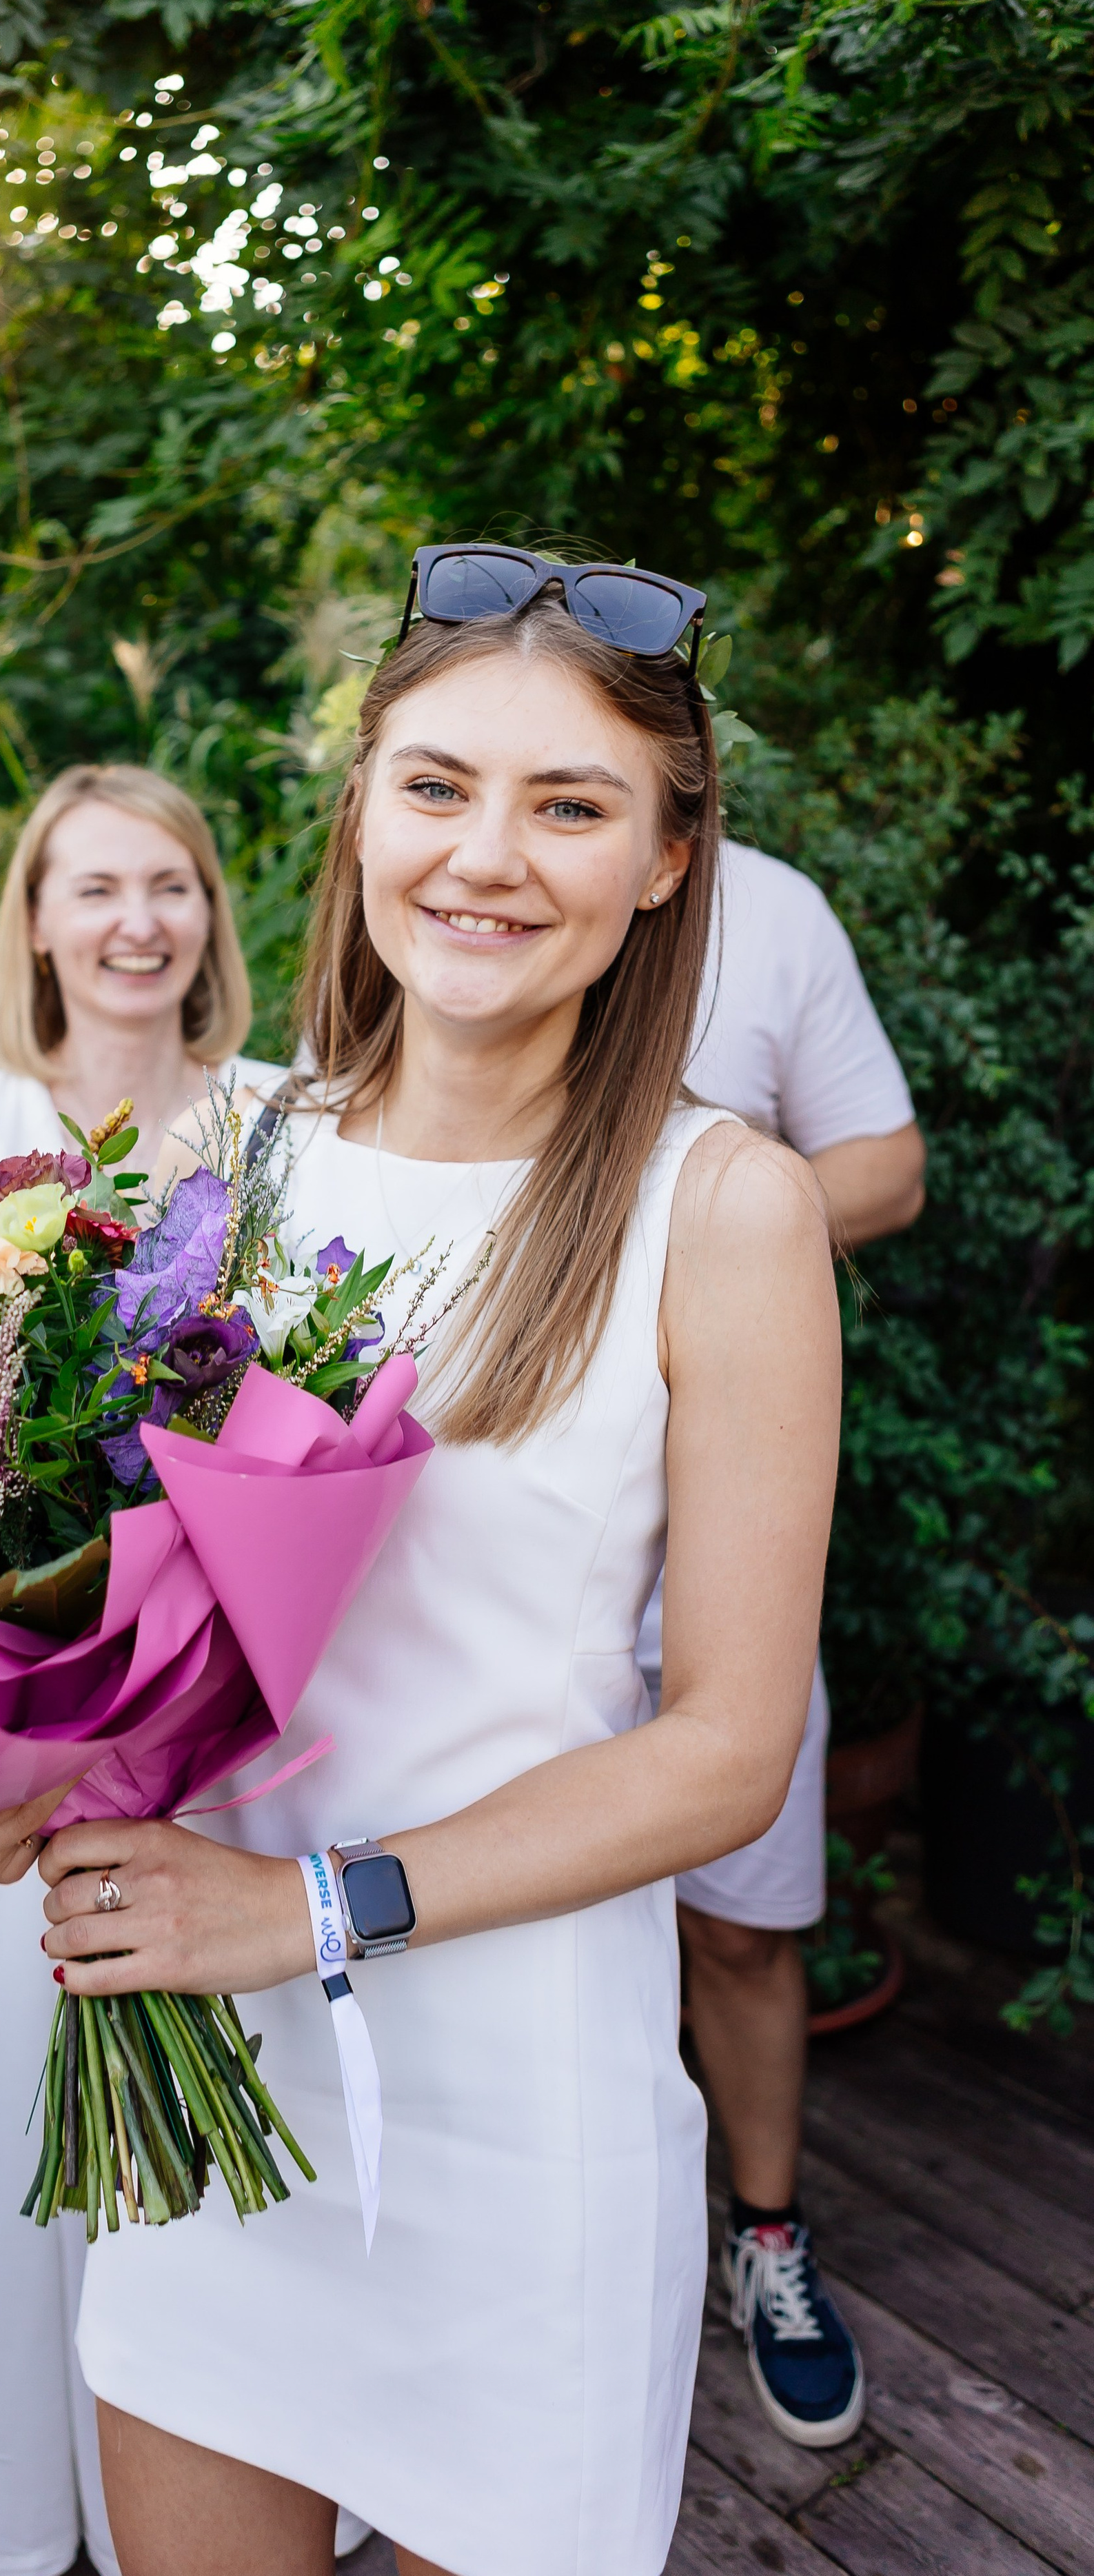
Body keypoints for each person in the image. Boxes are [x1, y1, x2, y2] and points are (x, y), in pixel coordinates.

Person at [0, 557, 840, 2576]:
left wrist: (310, 1909)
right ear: (362, 806)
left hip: (508, 2098)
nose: (488, 859)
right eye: (439, 788)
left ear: (665, 856)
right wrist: (5, 1759)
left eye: (570, 805)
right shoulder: (231, 1154)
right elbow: (111, 1588)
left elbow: (726, 1748)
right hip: (200, 2085)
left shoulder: (724, 1209)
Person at [0, 763, 278, 2576]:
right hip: (7, 1761)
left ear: (210, 916)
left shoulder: (292, 1125)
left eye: (172, 885)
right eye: (97, 889)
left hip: (235, 1757)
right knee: (7, 2155)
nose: (139, 923)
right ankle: (34, 2527)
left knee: (231, 2192)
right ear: (34, 922)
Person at [643, 838, 924, 2446]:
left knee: (741, 1917)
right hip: (496, 1521)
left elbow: (885, 1165)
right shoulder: (465, 912)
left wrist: (706, 1220)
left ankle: (762, 2234)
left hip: (721, 1514)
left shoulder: (772, 912)